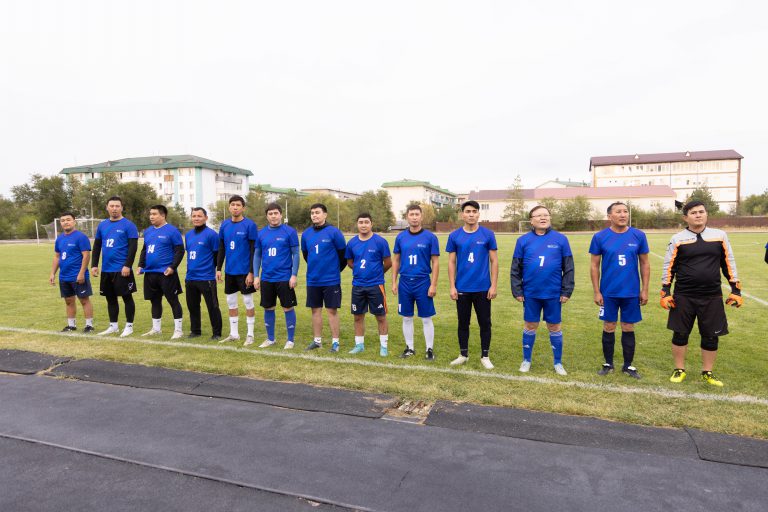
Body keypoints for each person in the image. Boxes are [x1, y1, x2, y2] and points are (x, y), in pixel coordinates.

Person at [660, 200, 742, 387]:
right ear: (685, 217)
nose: (698, 215)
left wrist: (736, 290)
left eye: (701, 212)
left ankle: (707, 372)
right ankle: (679, 369)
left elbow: (728, 263)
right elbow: (669, 266)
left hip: (712, 295)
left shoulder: (719, 236)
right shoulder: (677, 239)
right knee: (680, 333)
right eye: (693, 212)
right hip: (683, 295)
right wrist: (665, 291)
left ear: (706, 214)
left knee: (711, 336)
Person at [510, 205, 574, 375]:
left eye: (546, 215)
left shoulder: (561, 239)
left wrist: (566, 291)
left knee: (554, 326)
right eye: (538, 215)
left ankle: (558, 363)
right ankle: (526, 360)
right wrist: (517, 290)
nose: (543, 218)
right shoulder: (523, 241)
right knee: (530, 325)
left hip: (553, 293)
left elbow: (569, 268)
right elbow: (515, 268)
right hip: (531, 293)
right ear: (531, 220)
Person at [589, 202, 650, 379]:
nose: (623, 215)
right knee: (609, 326)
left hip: (631, 292)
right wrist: (596, 291)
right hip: (608, 292)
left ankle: (628, 365)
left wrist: (645, 289)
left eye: (625, 211)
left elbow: (645, 264)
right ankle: (608, 364)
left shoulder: (638, 235)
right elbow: (594, 266)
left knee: (628, 326)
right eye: (618, 212)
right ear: (609, 216)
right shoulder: (600, 237)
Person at [446, 200, 499, 369]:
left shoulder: (488, 234)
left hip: (483, 288)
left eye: (474, 211)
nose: (471, 214)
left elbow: (494, 261)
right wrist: (452, 286)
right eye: (468, 211)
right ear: (462, 215)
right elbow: (451, 262)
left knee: (485, 323)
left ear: (478, 214)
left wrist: (493, 285)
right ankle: (463, 355)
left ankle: (485, 356)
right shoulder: (454, 236)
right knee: (463, 323)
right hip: (462, 288)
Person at [391, 204, 440, 360]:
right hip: (405, 282)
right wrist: (394, 282)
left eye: (417, 214)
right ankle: (410, 348)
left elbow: (435, 262)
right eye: (411, 214)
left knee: (426, 317)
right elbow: (396, 260)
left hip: (423, 282)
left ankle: (429, 349)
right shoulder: (400, 237)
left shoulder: (430, 237)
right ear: (407, 217)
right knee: (406, 317)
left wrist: (433, 284)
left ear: (421, 216)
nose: (414, 217)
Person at [301, 203, 347, 352]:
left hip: (331, 280)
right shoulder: (306, 234)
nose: (314, 215)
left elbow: (343, 256)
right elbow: (306, 255)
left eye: (317, 212)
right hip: (313, 279)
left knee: (331, 311)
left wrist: (333, 270)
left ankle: (335, 343)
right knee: (315, 310)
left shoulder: (334, 232)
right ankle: (317, 341)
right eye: (312, 213)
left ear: (325, 215)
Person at [253, 203, 300, 349]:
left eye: (276, 213)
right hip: (267, 278)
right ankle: (270, 339)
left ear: (280, 214)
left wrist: (294, 275)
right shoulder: (261, 233)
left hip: (284, 277)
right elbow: (257, 256)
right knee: (268, 308)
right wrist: (256, 276)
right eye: (270, 214)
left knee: (287, 307)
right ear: (267, 216)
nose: (273, 216)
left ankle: (290, 340)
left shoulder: (289, 231)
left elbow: (296, 254)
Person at [91, 196, 139, 337]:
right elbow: (97, 246)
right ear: (107, 207)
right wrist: (94, 265)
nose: (114, 208)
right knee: (110, 298)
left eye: (117, 206)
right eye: (111, 206)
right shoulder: (102, 225)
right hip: (107, 269)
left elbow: (133, 248)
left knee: (126, 297)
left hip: (122, 269)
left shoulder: (129, 225)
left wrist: (127, 265)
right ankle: (113, 326)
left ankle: (129, 326)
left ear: (122, 208)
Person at [345, 213, 392, 356]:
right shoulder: (352, 243)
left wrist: (377, 273)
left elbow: (388, 262)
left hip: (376, 285)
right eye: (361, 222)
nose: (363, 225)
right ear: (357, 224)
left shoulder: (380, 242)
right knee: (358, 316)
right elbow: (350, 262)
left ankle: (384, 347)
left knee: (381, 316)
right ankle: (359, 345)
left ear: (371, 224)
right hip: (358, 285)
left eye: (366, 222)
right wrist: (360, 271)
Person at [137, 205, 185, 339]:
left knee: (173, 300)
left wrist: (172, 267)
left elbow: (180, 251)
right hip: (150, 272)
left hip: (166, 273)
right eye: (150, 214)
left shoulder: (172, 231)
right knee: (154, 301)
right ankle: (156, 329)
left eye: (154, 214)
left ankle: (178, 330)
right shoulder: (148, 231)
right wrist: (140, 265)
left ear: (163, 215)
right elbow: (145, 249)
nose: (151, 216)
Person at [216, 195, 259, 345]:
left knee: (248, 301)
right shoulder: (224, 225)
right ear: (229, 207)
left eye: (238, 205)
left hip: (244, 272)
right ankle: (234, 334)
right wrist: (218, 268)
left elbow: (254, 250)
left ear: (243, 208)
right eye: (233, 204)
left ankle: (250, 335)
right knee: (231, 301)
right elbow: (221, 248)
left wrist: (251, 272)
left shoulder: (250, 225)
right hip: (230, 271)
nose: (235, 207)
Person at [50, 212, 94, 332]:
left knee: (84, 300)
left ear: (74, 221)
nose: (66, 222)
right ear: (60, 223)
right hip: (64, 276)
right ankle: (71, 325)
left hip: (78, 275)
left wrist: (81, 273)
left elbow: (86, 255)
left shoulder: (81, 237)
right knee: (68, 301)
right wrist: (53, 273)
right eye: (63, 220)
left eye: (68, 219)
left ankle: (89, 325)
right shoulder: (59, 239)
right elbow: (57, 257)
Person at [184, 207, 222, 341]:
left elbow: (217, 255)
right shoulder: (188, 235)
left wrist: (212, 269)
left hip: (206, 277)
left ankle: (216, 333)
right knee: (192, 306)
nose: (196, 218)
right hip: (190, 277)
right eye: (194, 216)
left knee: (213, 306)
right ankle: (195, 331)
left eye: (199, 216)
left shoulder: (212, 235)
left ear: (206, 218)